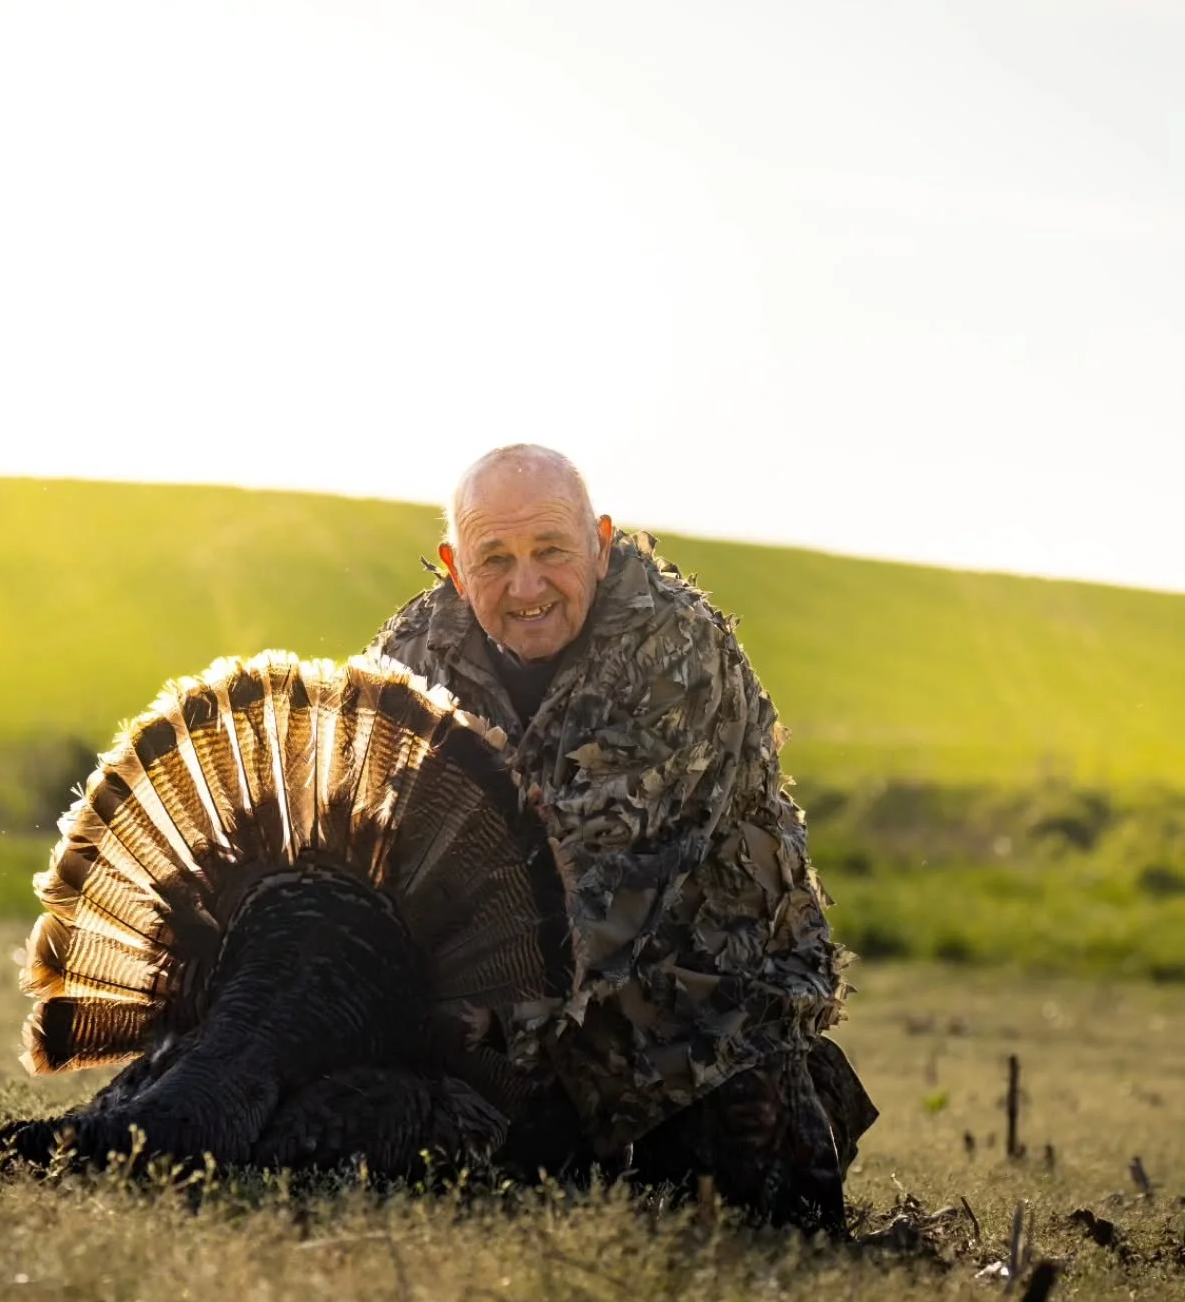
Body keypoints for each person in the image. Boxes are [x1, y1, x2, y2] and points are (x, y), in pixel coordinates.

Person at [367, 443, 876, 1232]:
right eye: (494, 558)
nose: (526, 586)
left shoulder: (675, 649)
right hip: (497, 995)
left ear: (600, 544)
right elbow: (373, 843)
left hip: (695, 999)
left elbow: (609, 886)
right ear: (455, 567)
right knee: (438, 1179)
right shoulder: (409, 657)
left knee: (762, 1216)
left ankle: (804, 1089)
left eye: (552, 550)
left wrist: (474, 1024)